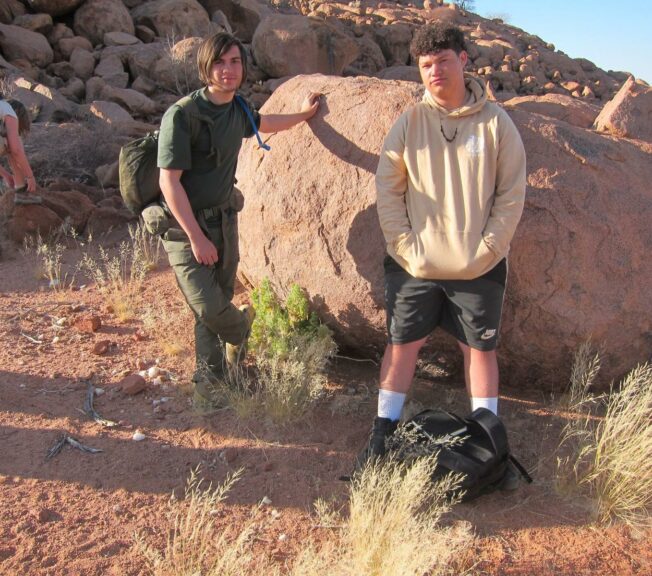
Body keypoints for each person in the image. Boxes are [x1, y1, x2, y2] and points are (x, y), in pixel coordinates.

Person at [355, 22, 526, 479]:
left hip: (480, 264)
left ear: (464, 59)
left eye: (443, 61)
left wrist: (490, 248)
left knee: (479, 350)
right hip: (415, 264)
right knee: (402, 344)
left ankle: (490, 443)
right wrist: (404, 246)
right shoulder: (410, 123)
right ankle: (382, 436)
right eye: (426, 65)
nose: (434, 71)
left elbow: (511, 193)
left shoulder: (495, 123)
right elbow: (388, 189)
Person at [157, 32, 320, 412]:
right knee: (210, 309)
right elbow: (169, 181)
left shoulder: (238, 109)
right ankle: (244, 328)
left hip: (225, 222)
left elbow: (264, 122)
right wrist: (196, 237)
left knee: (213, 307)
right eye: (219, 62)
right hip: (185, 230)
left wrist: (306, 115)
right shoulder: (183, 115)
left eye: (235, 62)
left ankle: (210, 387)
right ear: (204, 66)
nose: (228, 70)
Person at [0, 98, 38, 204]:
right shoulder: (7, 109)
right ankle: (21, 191)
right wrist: (30, 176)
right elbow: (15, 150)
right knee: (14, 143)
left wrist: (5, 175)